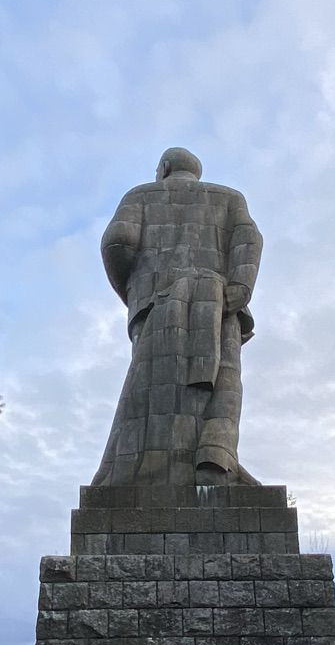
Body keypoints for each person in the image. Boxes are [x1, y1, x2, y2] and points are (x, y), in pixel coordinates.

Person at [91, 147, 264, 485]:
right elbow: (249, 238)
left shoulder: (140, 195)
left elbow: (117, 242)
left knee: (153, 391)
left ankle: (152, 471)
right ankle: (217, 457)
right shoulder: (230, 199)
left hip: (156, 302)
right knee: (224, 381)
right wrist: (241, 286)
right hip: (222, 303)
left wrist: (131, 289)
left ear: (165, 168)